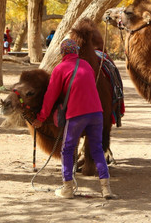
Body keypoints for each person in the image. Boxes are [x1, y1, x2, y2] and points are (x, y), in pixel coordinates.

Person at [32, 39, 116, 200]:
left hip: (77, 115)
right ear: (76, 51)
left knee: (68, 150)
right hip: (97, 113)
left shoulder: (60, 68)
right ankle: (106, 189)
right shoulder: (87, 66)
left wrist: (41, 118)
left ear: (62, 53)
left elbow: (50, 97)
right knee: (97, 149)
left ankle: (67, 188)